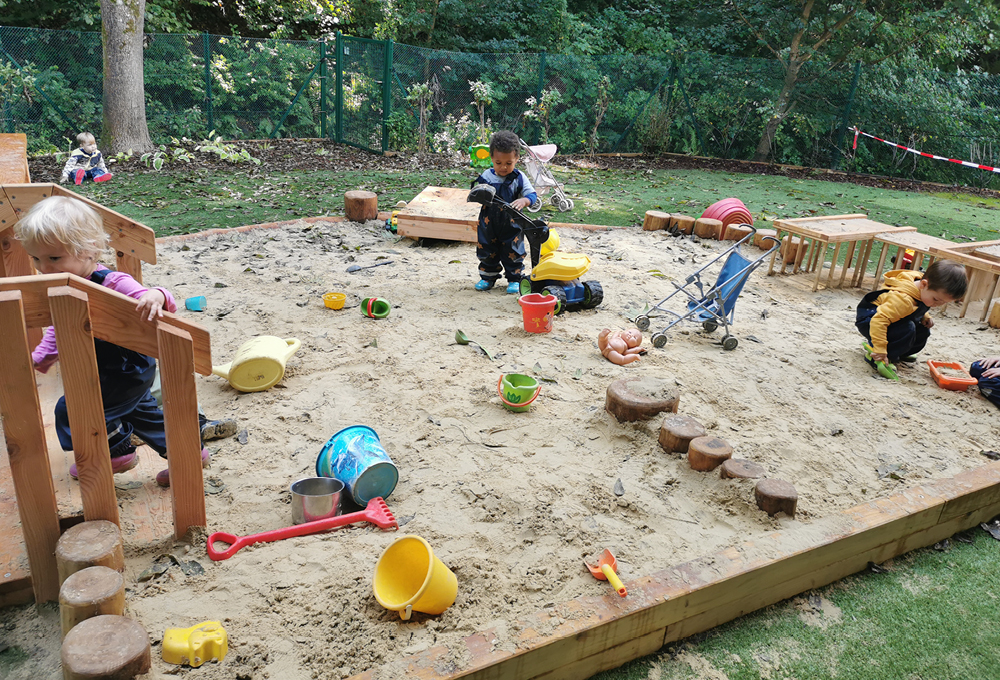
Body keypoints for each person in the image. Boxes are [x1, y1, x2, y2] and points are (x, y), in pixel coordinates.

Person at [14, 196, 207, 487]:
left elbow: (156, 298)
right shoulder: (61, 285)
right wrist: (42, 356)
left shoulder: (113, 282)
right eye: (36, 258)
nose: (44, 268)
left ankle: (117, 452)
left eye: (54, 258)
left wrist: (155, 295)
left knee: (73, 410)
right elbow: (59, 325)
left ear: (89, 251)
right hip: (122, 371)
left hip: (123, 368)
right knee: (142, 414)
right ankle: (190, 452)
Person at [856, 259, 967, 370]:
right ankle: (879, 356)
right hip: (870, 321)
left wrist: (925, 316)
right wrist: (879, 348)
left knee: (923, 330)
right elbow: (879, 321)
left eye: (944, 302)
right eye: (936, 299)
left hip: (890, 319)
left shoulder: (923, 287)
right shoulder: (902, 300)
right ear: (924, 284)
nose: (938, 304)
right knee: (908, 328)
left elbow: (916, 304)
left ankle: (901, 352)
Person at [471, 130, 538, 294]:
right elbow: (475, 191)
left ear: (516, 159)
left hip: (512, 223)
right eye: (498, 162)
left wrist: (524, 201)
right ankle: (487, 277)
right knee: (486, 248)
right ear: (491, 158)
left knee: (513, 249)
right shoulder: (486, 176)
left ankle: (515, 279)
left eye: (509, 163)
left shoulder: (519, 177)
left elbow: (532, 195)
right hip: (488, 222)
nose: (503, 167)